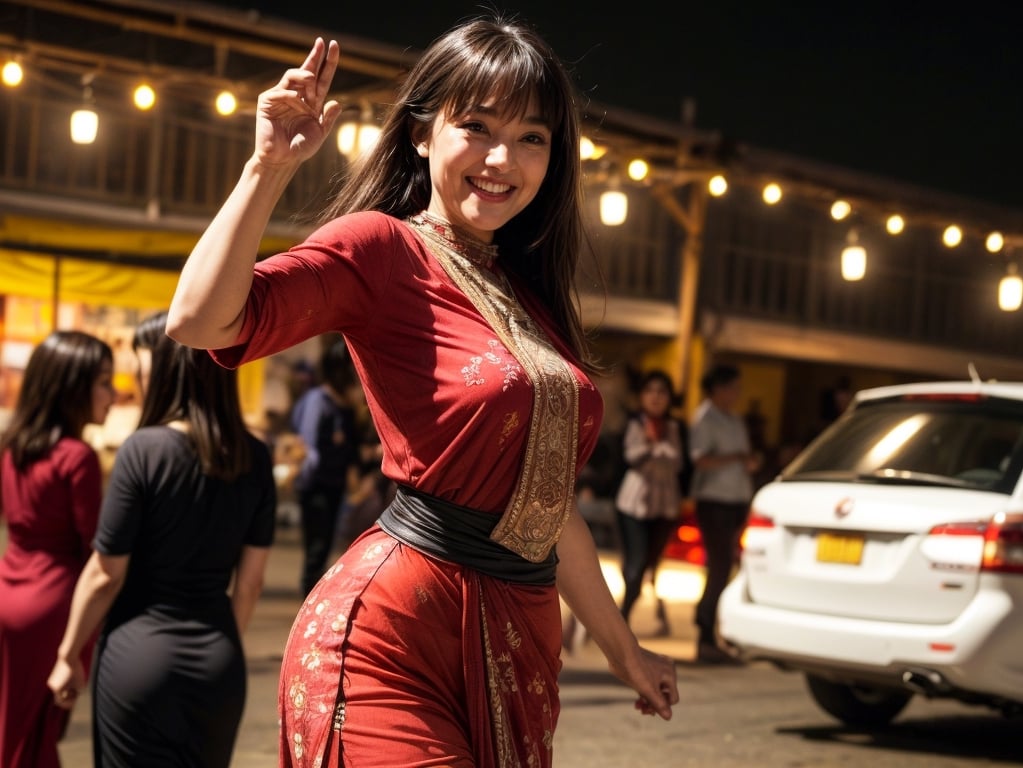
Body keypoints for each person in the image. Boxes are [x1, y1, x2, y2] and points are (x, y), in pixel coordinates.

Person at [164, 16, 679, 768]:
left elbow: (547, 508)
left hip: (514, 643)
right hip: (388, 640)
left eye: (533, 137)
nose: (503, 159)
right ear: (421, 133)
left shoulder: (529, 296)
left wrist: (624, 651)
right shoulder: (380, 247)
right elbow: (201, 320)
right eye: (476, 126)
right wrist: (267, 167)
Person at [47, 311, 276, 767]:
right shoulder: (255, 457)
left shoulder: (143, 450)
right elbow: (250, 584)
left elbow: (104, 575)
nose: (137, 378)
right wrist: (220, 641)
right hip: (219, 664)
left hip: (138, 660)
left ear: (169, 367)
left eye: (143, 367)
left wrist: (68, 653)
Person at [0, 331, 114, 768]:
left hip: (12, 593)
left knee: (15, 727)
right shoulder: (76, 456)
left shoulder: (14, 447)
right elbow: (96, 551)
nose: (112, 392)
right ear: (73, 387)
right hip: (54, 606)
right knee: (39, 737)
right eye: (103, 381)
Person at [689, 363, 759, 665]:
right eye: (733, 387)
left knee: (726, 567)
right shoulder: (706, 418)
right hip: (713, 499)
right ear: (718, 388)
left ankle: (715, 631)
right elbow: (701, 460)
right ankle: (704, 632)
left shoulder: (734, 419)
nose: (737, 394)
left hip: (735, 498)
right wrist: (736, 458)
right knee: (718, 566)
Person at [614, 369, 686, 636]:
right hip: (633, 504)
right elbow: (631, 457)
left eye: (662, 392)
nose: (656, 397)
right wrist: (655, 448)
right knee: (636, 560)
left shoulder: (676, 427)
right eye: (651, 391)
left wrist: (654, 447)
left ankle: (624, 613)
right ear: (642, 396)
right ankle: (621, 619)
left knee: (648, 563)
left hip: (665, 505)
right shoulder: (634, 423)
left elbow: (678, 462)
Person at [291, 335, 363, 595]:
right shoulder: (319, 401)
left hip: (333, 486)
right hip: (316, 487)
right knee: (317, 548)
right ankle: (308, 597)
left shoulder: (343, 407)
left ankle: (311, 593)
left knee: (324, 546)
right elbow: (311, 450)